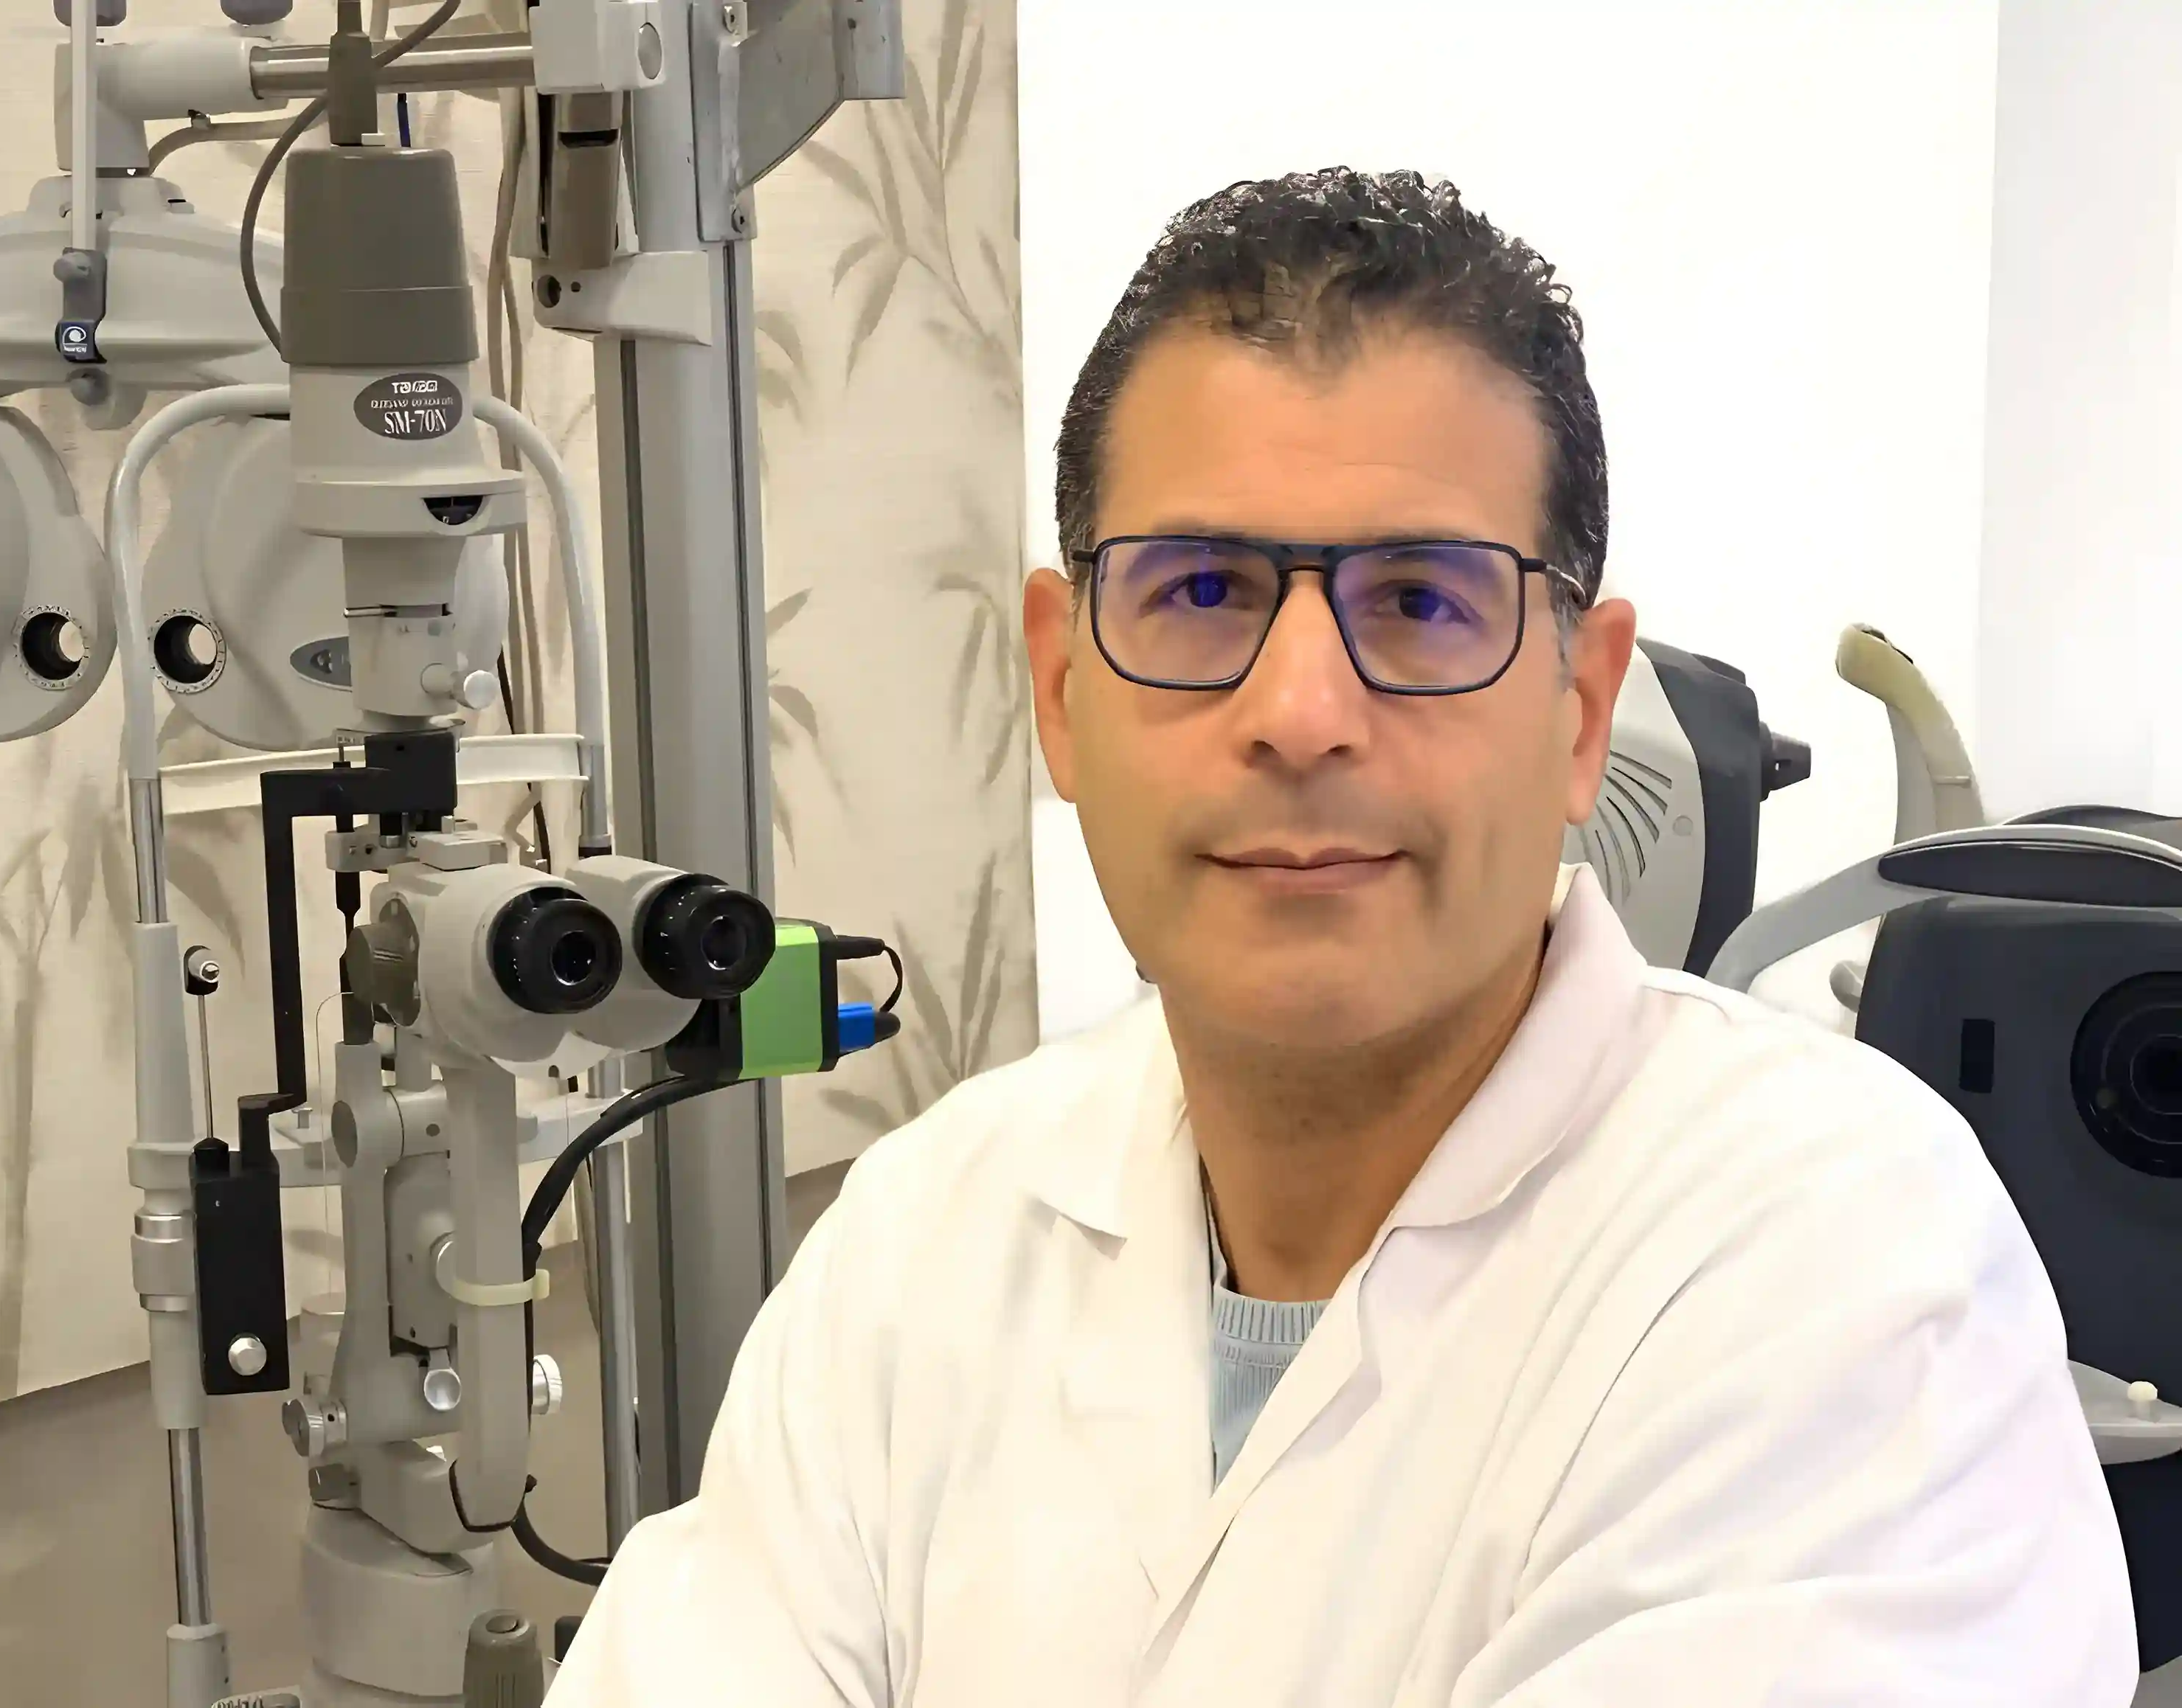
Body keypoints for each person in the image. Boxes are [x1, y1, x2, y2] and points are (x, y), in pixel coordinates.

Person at [548, 168, 2134, 1705]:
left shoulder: (1838, 1268)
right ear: (1062, 689)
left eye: (1422, 603)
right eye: (1199, 591)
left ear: (1581, 710)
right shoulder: (924, 1236)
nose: (1300, 712)